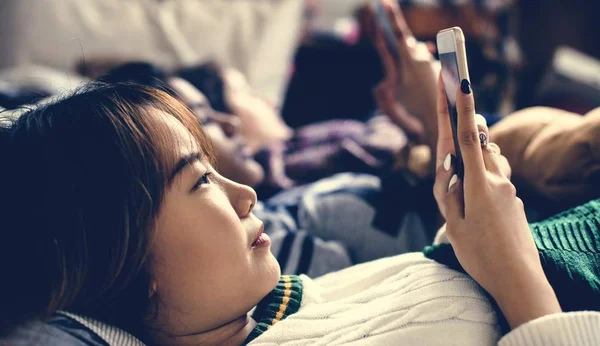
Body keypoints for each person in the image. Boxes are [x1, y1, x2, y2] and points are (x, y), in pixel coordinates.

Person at [1, 74, 599, 345]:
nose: (245, 195)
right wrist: (515, 271)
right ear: (124, 254)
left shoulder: (276, 309)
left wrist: (465, 224)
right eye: (201, 180)